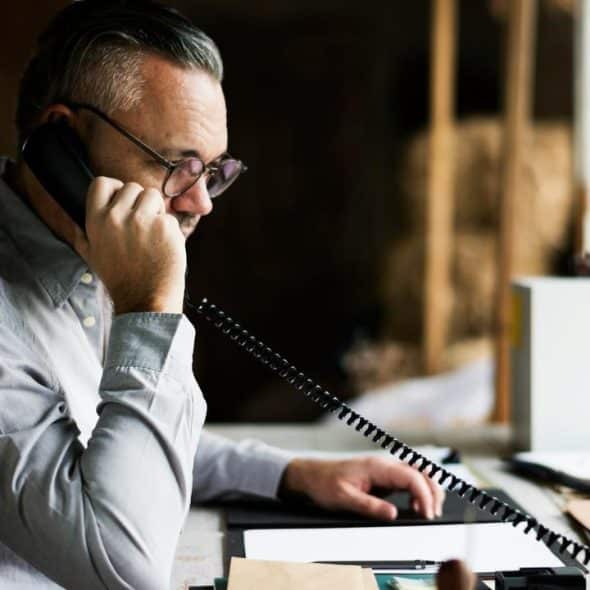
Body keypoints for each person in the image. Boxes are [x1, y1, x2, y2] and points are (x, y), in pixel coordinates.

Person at [0, 1, 445, 588]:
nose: (200, 202)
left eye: (213, 171)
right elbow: (125, 566)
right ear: (64, 142)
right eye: (177, 165)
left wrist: (288, 474)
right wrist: (149, 310)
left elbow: (108, 442)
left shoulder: (86, 252)